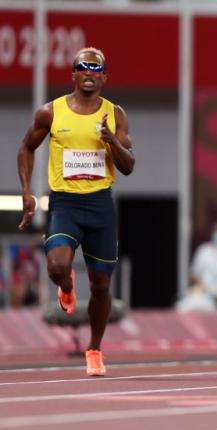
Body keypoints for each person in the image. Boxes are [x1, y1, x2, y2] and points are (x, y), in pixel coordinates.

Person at [17, 47, 135, 376]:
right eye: (81, 66)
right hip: (65, 203)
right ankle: (65, 285)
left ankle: (94, 349)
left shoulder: (116, 114)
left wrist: (112, 140)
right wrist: (27, 191)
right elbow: (26, 147)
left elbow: (128, 166)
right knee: (57, 265)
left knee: (100, 286)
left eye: (95, 67)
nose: (88, 72)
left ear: (104, 77)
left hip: (99, 204)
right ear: (72, 74)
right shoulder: (50, 112)